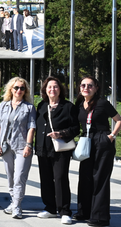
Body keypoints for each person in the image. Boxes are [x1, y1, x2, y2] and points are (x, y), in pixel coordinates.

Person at [74, 76, 121, 227]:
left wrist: (112, 136)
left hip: (102, 142)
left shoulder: (102, 103)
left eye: (90, 85)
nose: (86, 88)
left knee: (100, 179)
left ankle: (100, 217)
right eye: (83, 85)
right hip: (86, 141)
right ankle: (84, 212)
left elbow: (119, 119)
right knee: (85, 177)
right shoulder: (79, 104)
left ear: (96, 88)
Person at [35, 77, 79, 224]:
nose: (52, 90)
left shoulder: (68, 107)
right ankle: (50, 208)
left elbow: (75, 128)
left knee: (60, 179)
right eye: (49, 87)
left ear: (60, 89)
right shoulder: (41, 105)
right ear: (45, 90)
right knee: (45, 179)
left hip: (60, 149)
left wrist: (60, 134)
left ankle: (65, 211)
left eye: (55, 87)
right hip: (43, 148)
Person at [0, 77, 36, 219]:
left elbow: (31, 127)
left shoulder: (29, 107)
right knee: (10, 177)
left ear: (25, 91)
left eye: (22, 88)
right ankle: (13, 201)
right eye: (16, 88)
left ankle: (17, 206)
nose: (19, 90)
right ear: (11, 89)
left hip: (21, 147)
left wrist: (28, 146)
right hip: (6, 146)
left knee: (19, 177)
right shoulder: (3, 105)